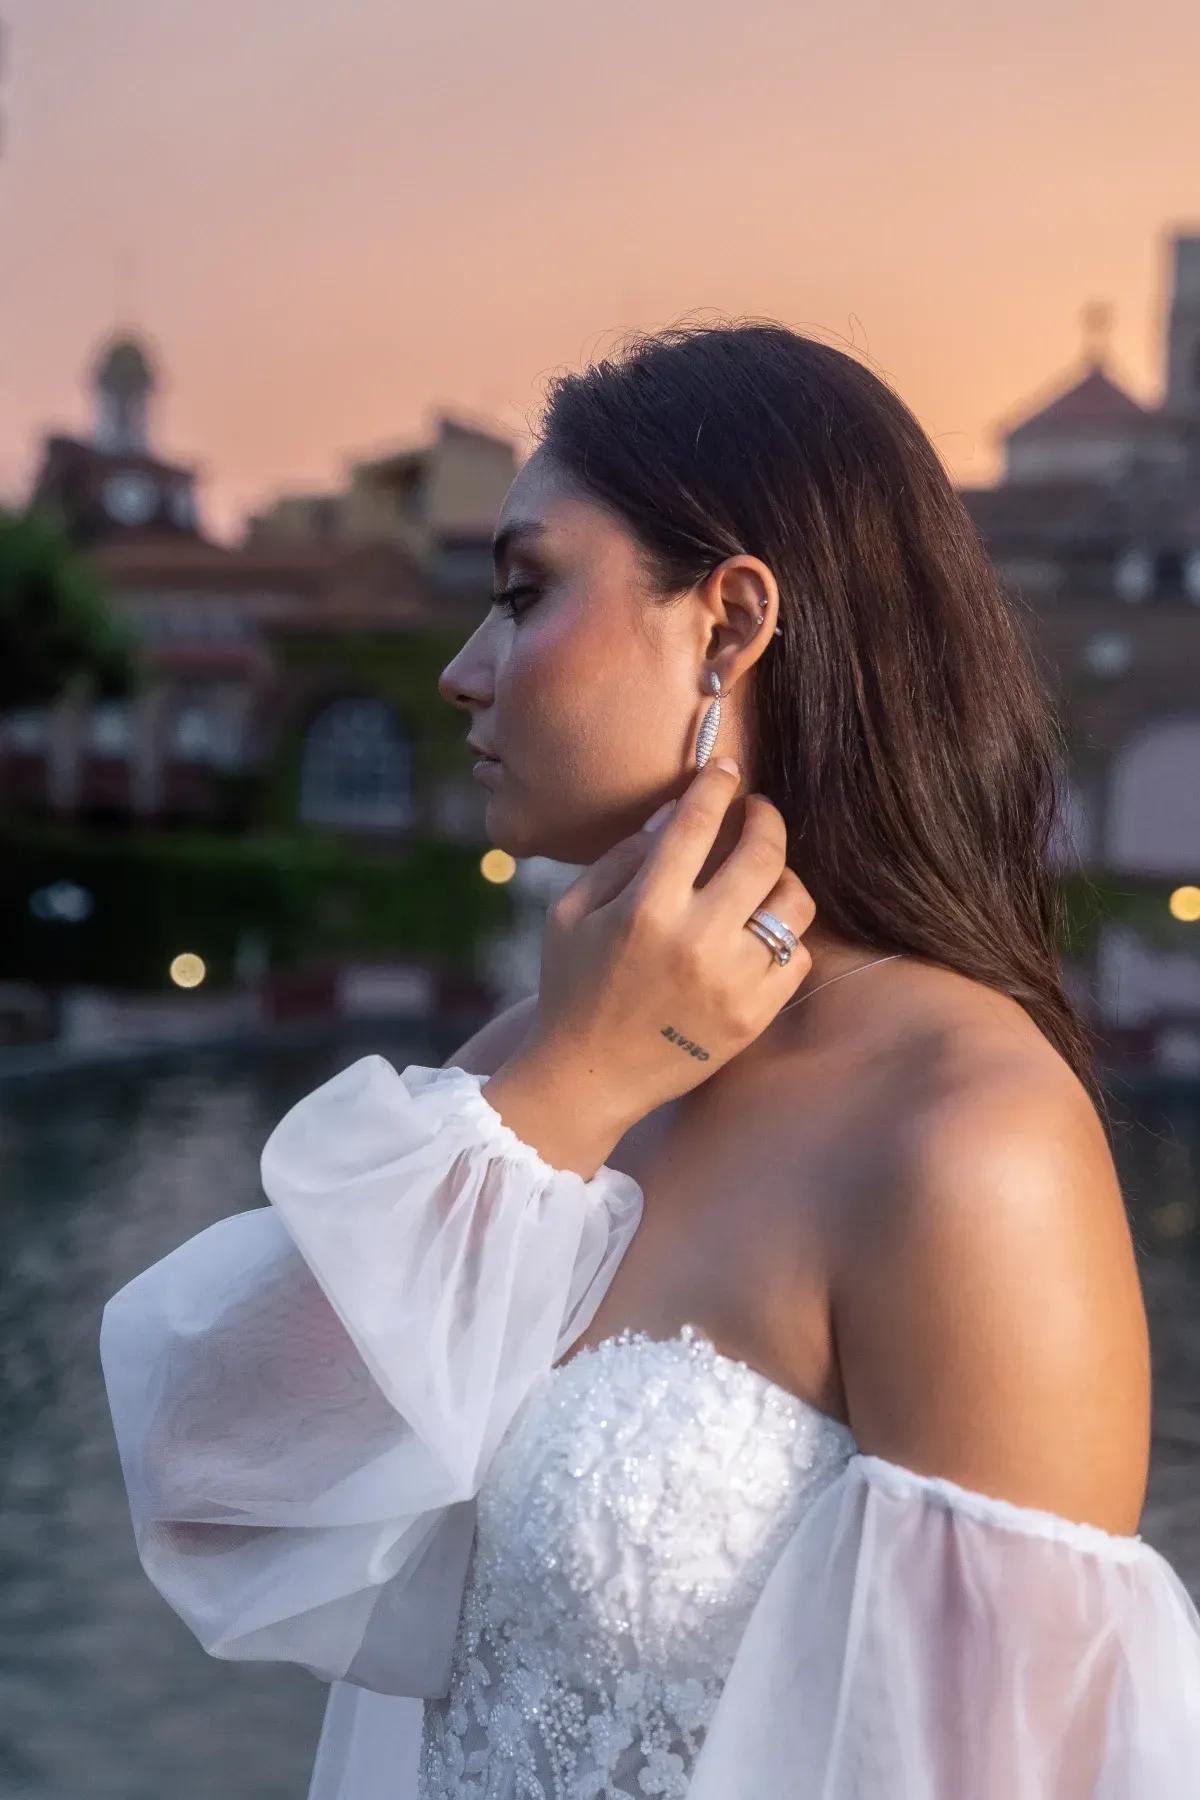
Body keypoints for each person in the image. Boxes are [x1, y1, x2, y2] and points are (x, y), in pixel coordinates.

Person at [102, 325, 1200, 1799]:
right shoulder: (548, 1062)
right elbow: (212, 1478)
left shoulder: (965, 1137)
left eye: (524, 593)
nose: (459, 672)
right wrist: (571, 1090)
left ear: (733, 623)